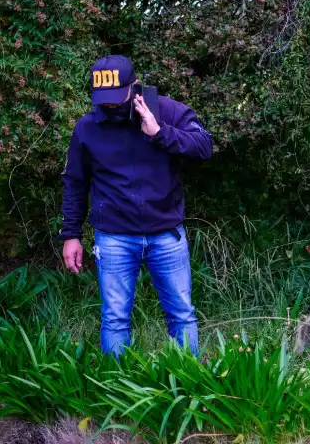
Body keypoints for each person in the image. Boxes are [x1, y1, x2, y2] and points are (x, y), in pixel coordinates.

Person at [59, 55, 213, 357]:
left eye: (117, 97)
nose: (111, 105)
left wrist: (160, 133)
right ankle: (119, 391)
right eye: (103, 99)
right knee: (115, 319)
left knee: (181, 314)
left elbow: (204, 146)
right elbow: (75, 181)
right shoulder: (88, 127)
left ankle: (188, 385)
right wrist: (71, 234)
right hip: (114, 237)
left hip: (167, 234)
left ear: (136, 86)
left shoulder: (166, 110)